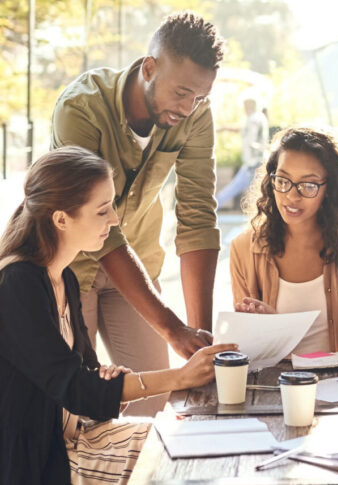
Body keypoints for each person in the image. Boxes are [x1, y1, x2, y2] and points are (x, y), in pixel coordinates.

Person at [0, 146, 236, 485]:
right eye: (102, 210)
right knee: (178, 458)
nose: (113, 219)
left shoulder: (65, 277)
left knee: (189, 445)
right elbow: (74, 388)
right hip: (42, 460)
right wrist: (179, 377)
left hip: (78, 440)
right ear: (61, 219)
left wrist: (108, 379)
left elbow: (86, 382)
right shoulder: (17, 285)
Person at [50, 12, 226, 415]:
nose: (189, 106)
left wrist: (200, 344)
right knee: (74, 409)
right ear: (150, 68)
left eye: (200, 96)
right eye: (182, 92)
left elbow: (197, 215)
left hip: (136, 266)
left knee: (154, 405)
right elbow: (99, 227)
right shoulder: (81, 110)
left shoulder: (195, 113)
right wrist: (171, 327)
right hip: (71, 269)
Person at [229, 127, 338, 355]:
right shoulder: (244, 249)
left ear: (330, 189)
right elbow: (246, 346)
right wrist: (268, 327)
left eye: (308, 185)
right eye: (283, 180)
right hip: (276, 384)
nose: (292, 196)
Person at [216, 96, 269, 210]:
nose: (244, 108)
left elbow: (252, 139)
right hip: (253, 162)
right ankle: (214, 204)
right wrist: (224, 128)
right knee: (247, 189)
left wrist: (258, 147)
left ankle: (213, 205)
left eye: (246, 105)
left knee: (251, 191)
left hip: (254, 162)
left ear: (252, 105)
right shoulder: (256, 118)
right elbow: (242, 130)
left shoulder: (254, 119)